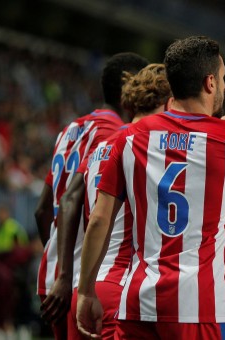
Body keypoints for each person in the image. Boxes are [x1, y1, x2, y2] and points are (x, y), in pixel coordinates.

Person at [76, 36, 225, 339]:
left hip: (137, 306)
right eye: (223, 79)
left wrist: (85, 291)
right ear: (210, 82)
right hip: (201, 309)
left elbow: (99, 219)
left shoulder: (130, 137)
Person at [34, 52, 149, 339]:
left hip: (52, 274)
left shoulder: (71, 129)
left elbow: (42, 211)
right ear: (128, 84)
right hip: (80, 279)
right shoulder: (114, 132)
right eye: (144, 82)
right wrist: (66, 273)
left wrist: (56, 265)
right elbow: (73, 199)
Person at [56, 63, 172, 339]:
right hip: (121, 286)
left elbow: (70, 198)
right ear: (169, 101)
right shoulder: (148, 145)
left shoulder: (101, 147)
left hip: (84, 284)